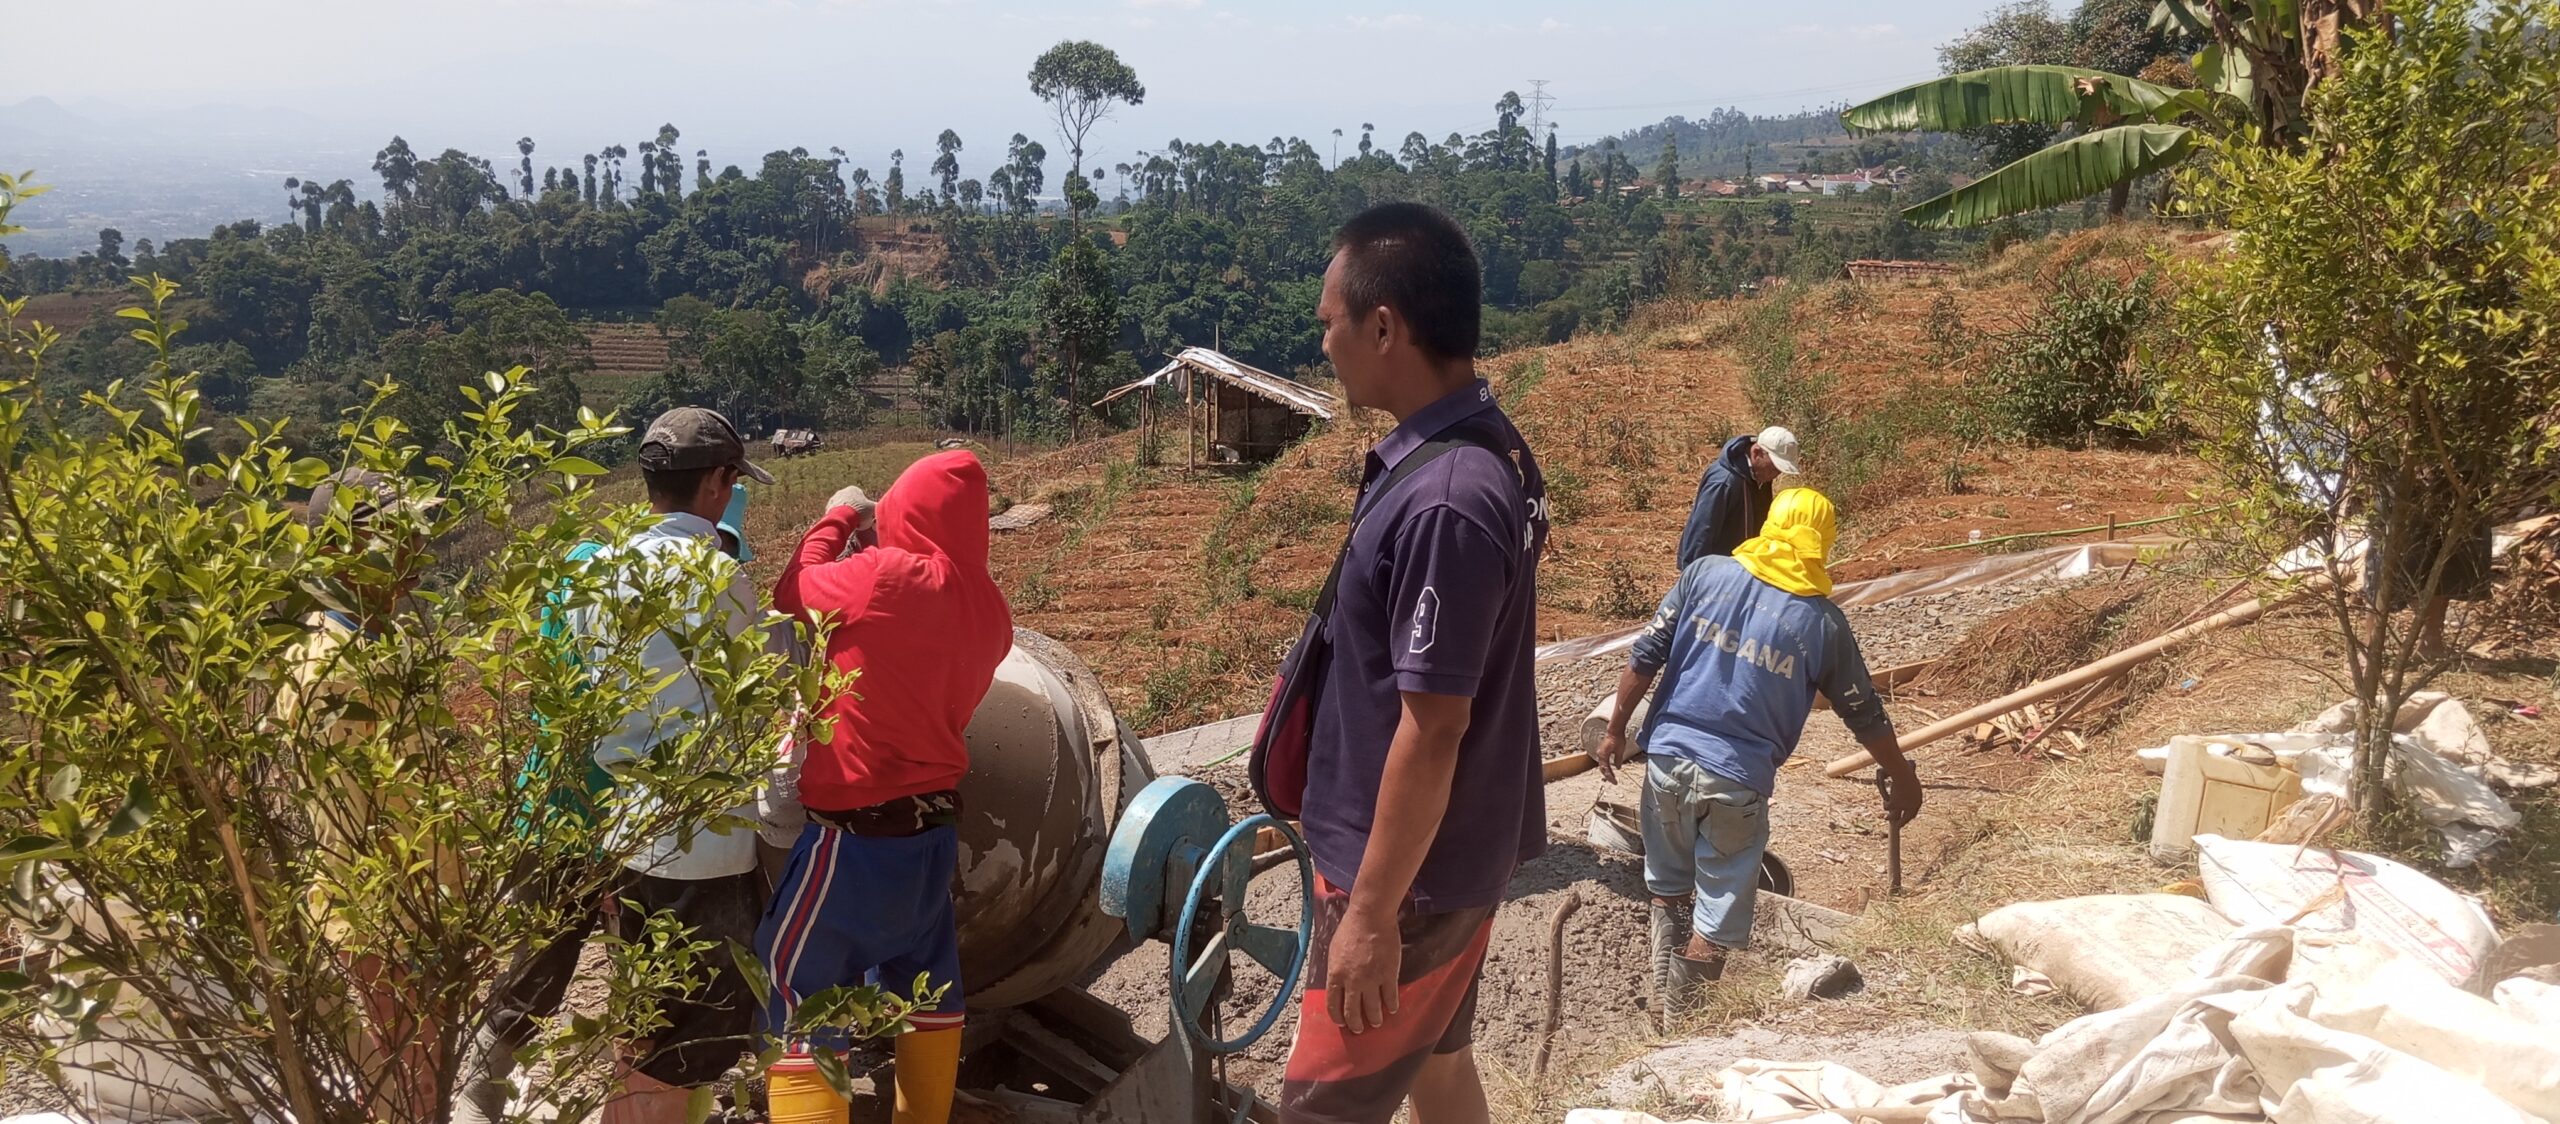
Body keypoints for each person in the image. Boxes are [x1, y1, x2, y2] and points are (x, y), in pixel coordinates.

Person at [1281, 202, 1549, 1124]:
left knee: (1323, 1109)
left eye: (1329, 323)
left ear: (1384, 324)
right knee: (1440, 1071)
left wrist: (1370, 916)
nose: (1324, 346)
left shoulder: (1445, 498)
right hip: (1433, 863)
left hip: (1405, 880)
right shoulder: (1480, 450)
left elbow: (1433, 729)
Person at [461, 407, 777, 1124]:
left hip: (625, 832)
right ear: (719, 484)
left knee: (640, 1019)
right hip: (701, 846)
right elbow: (748, 701)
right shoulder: (719, 574)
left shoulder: (599, 573)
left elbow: (579, 704)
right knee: (684, 1043)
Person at [1596, 487, 1923, 1022]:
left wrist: (1614, 729)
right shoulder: (1821, 624)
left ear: (1770, 523)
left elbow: (1644, 655)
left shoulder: (1704, 575)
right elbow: (1862, 711)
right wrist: (1901, 774)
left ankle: (1662, 1008)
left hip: (1667, 764)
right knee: (1716, 912)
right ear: (1823, 543)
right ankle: (1684, 1024)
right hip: (1735, 781)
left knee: (1669, 887)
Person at [757, 451, 1011, 1124]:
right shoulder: (989, 608)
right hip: (929, 842)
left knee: (795, 988)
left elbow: (794, 590)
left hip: (852, 839)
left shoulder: (886, 576)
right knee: (927, 991)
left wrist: (840, 516)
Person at [280, 468, 454, 1122]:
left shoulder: (384, 640)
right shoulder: (334, 668)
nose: (415, 544)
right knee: (406, 1091)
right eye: (391, 531)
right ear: (333, 552)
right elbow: (349, 832)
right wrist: (397, 953)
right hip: (379, 930)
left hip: (414, 919)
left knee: (420, 1085)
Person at [1674, 426, 1801, 572]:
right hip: (1716, 571)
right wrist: (1693, 575)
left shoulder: (1760, 473)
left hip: (1738, 570)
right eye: (1774, 468)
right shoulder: (1724, 482)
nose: (1776, 475)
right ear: (1757, 453)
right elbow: (1702, 530)